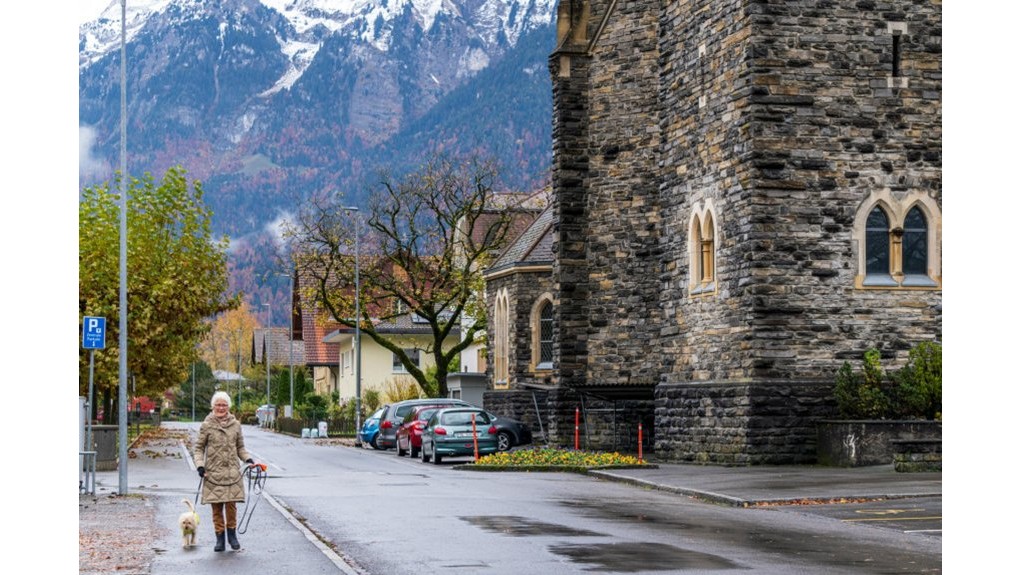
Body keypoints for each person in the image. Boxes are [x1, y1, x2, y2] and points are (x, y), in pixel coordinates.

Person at [194, 391, 258, 552]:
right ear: (213, 406)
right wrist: (200, 466)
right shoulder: (206, 425)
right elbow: (199, 448)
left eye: (224, 405)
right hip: (213, 473)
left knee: (231, 506)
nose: (221, 408)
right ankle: (220, 539)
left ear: (228, 407)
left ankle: (232, 535)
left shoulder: (236, 425)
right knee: (216, 508)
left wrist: (248, 460)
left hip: (232, 473)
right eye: (218, 404)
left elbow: (240, 448)